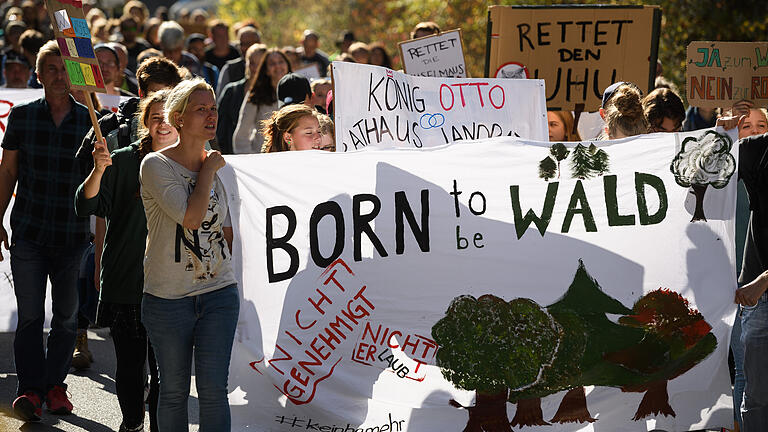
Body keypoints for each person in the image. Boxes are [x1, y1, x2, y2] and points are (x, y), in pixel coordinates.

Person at [139, 78, 238, 431]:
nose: (211, 115)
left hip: (218, 294)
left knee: (214, 391)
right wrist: (208, 169)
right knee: (174, 391)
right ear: (178, 118)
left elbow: (225, 229)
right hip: (168, 299)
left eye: (213, 108)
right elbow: (192, 219)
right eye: (201, 109)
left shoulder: (222, 166)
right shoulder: (155, 165)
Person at [75, 89, 177, 432]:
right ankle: (132, 422)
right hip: (127, 280)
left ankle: (159, 425)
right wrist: (98, 170)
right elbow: (85, 205)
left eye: (169, 116)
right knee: (132, 366)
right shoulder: (121, 159)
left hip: (176, 286)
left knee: (168, 370)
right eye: (155, 117)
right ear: (144, 123)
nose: (163, 124)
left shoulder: (196, 161)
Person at [3, 40, 91, 421]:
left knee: (67, 318)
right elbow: (7, 171)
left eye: (63, 69)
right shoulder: (22, 117)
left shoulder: (91, 121)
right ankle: (29, 390)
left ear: (72, 75)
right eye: (50, 69)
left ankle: (56, 386)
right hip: (30, 232)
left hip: (73, 235)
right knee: (30, 317)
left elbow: (102, 181)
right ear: (38, 76)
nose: (58, 76)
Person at [232, 48, 291, 154]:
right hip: (262, 157)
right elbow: (242, 135)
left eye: (281, 62)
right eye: (272, 63)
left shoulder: (298, 91)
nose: (278, 66)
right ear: (266, 70)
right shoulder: (256, 95)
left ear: (287, 65)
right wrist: (252, 160)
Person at [216, 43, 266, 155]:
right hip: (231, 155)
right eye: (252, 63)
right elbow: (220, 127)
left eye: (261, 64)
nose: (256, 68)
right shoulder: (231, 91)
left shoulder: (273, 93)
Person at [215, 26, 260, 95]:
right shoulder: (229, 69)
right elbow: (220, 99)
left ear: (259, 43)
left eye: (248, 44)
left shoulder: (270, 65)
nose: (244, 48)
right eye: (242, 44)